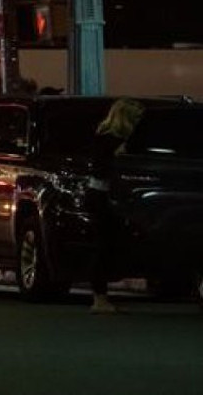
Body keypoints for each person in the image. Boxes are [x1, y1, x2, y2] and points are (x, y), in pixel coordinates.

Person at [86, 98, 144, 314]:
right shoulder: (109, 140)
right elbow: (100, 169)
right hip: (103, 196)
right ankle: (99, 298)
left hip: (104, 195)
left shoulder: (105, 137)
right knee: (103, 245)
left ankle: (101, 295)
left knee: (109, 244)